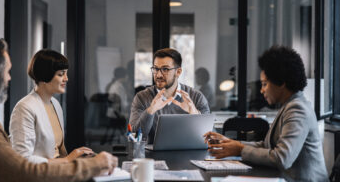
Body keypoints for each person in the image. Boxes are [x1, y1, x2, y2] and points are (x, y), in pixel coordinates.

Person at [0, 36, 117, 181]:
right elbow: (21, 168)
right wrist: (88, 165)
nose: (9, 78)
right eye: (7, 72)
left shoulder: (55, 105)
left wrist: (77, 159)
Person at [203, 45, 328, 182]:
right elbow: (267, 146)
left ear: (281, 82)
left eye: (264, 84)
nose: (262, 90)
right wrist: (232, 143)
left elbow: (281, 158)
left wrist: (239, 149)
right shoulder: (290, 105)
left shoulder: (297, 109)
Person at [9, 49, 94, 164]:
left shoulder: (55, 104)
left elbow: (57, 152)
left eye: (66, 73)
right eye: (61, 74)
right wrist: (68, 159)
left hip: (57, 172)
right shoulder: (24, 108)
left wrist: (75, 158)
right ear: (45, 76)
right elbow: (23, 159)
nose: (66, 79)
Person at [129, 48, 210, 144]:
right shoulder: (142, 97)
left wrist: (195, 114)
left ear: (178, 72)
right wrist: (150, 111)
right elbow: (134, 136)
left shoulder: (196, 97)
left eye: (165, 69)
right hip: (152, 157)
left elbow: (212, 137)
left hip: (189, 155)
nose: (158, 75)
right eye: (156, 69)